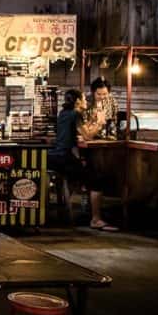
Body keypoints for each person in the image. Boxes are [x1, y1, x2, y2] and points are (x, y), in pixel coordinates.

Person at [49, 88, 116, 231]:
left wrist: (92, 121)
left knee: (82, 176)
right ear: (78, 101)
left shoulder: (63, 113)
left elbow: (75, 131)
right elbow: (87, 136)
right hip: (65, 158)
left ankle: (72, 211)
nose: (86, 101)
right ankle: (96, 219)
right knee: (97, 180)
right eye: (84, 99)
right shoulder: (76, 114)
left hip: (54, 157)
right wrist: (99, 123)